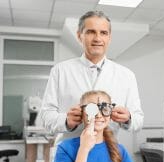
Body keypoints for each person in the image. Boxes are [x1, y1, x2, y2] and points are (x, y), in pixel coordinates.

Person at [39, 10, 144, 144]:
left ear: (109, 38)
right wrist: (66, 120)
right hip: (70, 155)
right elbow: (46, 117)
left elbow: (138, 120)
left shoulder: (126, 75)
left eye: (103, 33)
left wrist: (128, 118)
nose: (97, 38)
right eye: (91, 32)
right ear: (79, 36)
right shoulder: (60, 71)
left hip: (107, 153)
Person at [53, 90, 132, 162]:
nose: (99, 115)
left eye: (105, 109)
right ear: (81, 113)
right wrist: (84, 148)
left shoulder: (119, 150)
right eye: (92, 109)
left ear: (110, 113)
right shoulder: (66, 148)